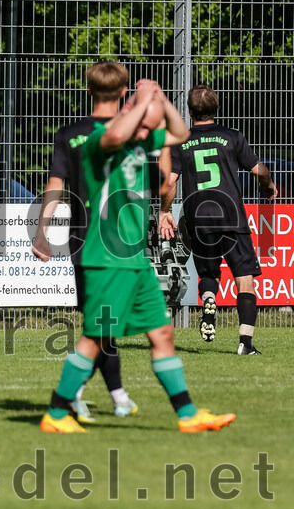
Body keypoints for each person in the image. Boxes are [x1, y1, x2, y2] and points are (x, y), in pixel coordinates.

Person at [41, 80, 236, 433]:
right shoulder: (100, 140)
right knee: (96, 337)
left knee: (162, 333)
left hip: (134, 258)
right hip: (107, 257)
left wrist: (160, 101)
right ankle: (56, 414)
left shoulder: (137, 140)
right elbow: (117, 135)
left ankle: (188, 415)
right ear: (126, 110)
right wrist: (141, 101)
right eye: (143, 118)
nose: (150, 125)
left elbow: (179, 132)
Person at [32, 61, 138, 422]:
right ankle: (71, 397)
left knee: (101, 325)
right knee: (103, 327)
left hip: (82, 241)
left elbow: (55, 185)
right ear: (125, 92)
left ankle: (117, 395)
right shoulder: (133, 131)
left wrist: (42, 232)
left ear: (88, 90)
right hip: (123, 243)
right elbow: (163, 177)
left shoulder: (69, 134)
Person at [158, 84, 276, 354]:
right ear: (217, 108)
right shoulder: (232, 136)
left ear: (189, 111)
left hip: (198, 218)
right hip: (231, 216)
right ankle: (245, 343)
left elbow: (170, 182)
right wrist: (267, 187)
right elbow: (259, 170)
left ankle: (209, 300)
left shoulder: (180, 140)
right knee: (244, 277)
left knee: (208, 273)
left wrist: (165, 211)